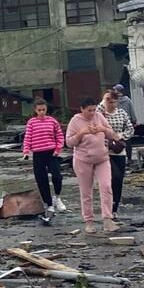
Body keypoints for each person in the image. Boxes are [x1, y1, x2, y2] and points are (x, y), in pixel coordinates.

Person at [66, 97, 123, 234]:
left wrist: (102, 128)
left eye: (94, 110)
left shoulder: (99, 117)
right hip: (83, 160)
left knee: (106, 186)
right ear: (82, 109)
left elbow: (112, 134)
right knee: (86, 192)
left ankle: (108, 220)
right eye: (89, 110)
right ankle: (89, 221)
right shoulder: (75, 121)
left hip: (102, 158)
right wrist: (82, 133)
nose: (92, 113)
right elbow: (69, 142)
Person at [22, 99, 66, 223]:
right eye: (39, 110)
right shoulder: (31, 122)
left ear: (46, 109)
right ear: (35, 110)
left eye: (43, 110)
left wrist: (58, 149)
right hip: (38, 154)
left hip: (51, 152)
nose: (41, 112)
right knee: (42, 180)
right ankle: (48, 204)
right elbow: (28, 137)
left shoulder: (52, 121)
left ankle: (57, 197)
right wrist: (26, 152)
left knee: (57, 175)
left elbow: (59, 136)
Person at [97, 91, 135, 217]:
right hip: (105, 151)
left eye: (113, 102)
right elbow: (96, 112)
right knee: (113, 178)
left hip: (119, 150)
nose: (111, 104)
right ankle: (108, 206)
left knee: (119, 181)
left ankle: (115, 207)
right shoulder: (100, 114)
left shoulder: (121, 113)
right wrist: (104, 99)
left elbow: (130, 129)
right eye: (109, 101)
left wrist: (121, 136)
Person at [113, 83, 137, 161]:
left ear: (117, 91)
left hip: (118, 122)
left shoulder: (114, 101)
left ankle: (121, 158)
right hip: (127, 122)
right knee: (128, 141)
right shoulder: (127, 100)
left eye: (115, 89)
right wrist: (134, 120)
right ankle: (129, 159)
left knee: (119, 141)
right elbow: (132, 110)